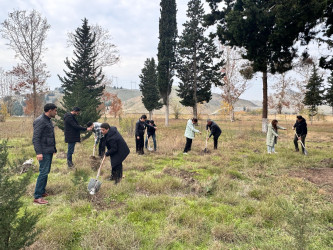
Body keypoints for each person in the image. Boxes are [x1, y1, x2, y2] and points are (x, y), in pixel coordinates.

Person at [32, 103, 58, 205]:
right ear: (50, 110)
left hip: (49, 150)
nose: (56, 113)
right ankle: (37, 196)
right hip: (43, 152)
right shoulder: (40, 121)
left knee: (46, 172)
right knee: (43, 172)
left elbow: (50, 136)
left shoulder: (48, 120)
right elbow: (36, 138)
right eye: (55, 111)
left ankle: (42, 191)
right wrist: (38, 152)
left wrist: (54, 149)